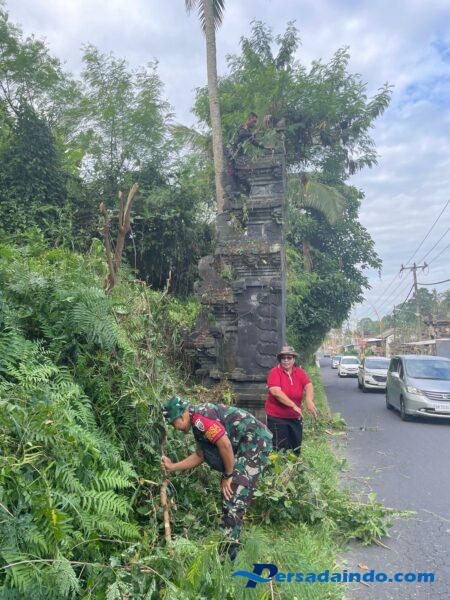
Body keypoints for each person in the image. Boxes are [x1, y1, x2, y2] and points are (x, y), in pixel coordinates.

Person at [161, 396, 272, 561]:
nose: (174, 428)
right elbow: (201, 455)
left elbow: (225, 444)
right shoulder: (197, 422)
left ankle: (229, 556)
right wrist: (173, 466)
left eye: (173, 423)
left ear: (181, 415)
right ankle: (229, 545)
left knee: (233, 495)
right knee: (230, 495)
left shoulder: (200, 419)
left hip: (254, 442)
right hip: (245, 444)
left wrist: (228, 475)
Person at [265, 345, 318, 455]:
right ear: (280, 360)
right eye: (283, 358)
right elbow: (275, 392)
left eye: (289, 358)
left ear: (294, 359)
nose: (286, 360)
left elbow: (308, 385)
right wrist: (293, 405)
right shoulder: (275, 372)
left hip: (295, 418)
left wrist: (309, 400)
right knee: (280, 451)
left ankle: (295, 465)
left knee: (296, 449)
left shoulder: (299, 372)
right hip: (277, 418)